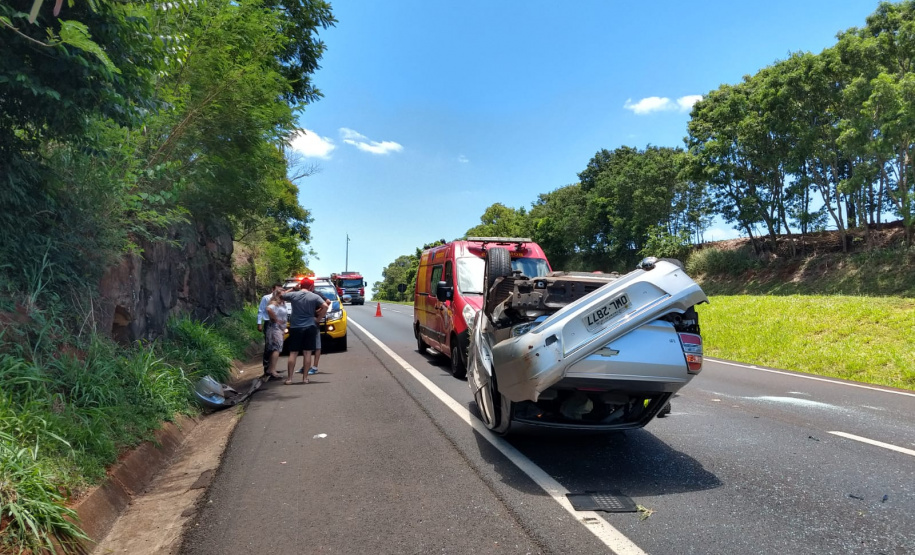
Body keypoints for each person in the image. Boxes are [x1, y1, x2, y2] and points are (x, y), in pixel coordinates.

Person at [281, 278, 331, 384]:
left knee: (293, 353)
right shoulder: (314, 296)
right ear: (311, 286)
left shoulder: (294, 295)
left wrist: (293, 289)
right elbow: (326, 306)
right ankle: (305, 378)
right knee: (307, 353)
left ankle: (289, 379)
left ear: (300, 285)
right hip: (310, 326)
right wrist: (317, 319)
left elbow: (281, 296)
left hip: (295, 326)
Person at [257, 283, 283, 375]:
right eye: (277, 290)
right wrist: (259, 323)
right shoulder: (266, 298)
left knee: (276, 346)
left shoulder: (281, 299)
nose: (278, 291)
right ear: (272, 289)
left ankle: (272, 368)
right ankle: (266, 368)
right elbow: (261, 311)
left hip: (277, 325)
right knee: (269, 346)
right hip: (269, 323)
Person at [263, 291, 287, 379]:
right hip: (275, 328)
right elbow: (268, 309)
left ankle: (270, 369)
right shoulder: (275, 304)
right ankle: (272, 370)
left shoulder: (282, 303)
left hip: (280, 328)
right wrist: (276, 319)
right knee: (276, 348)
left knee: (276, 348)